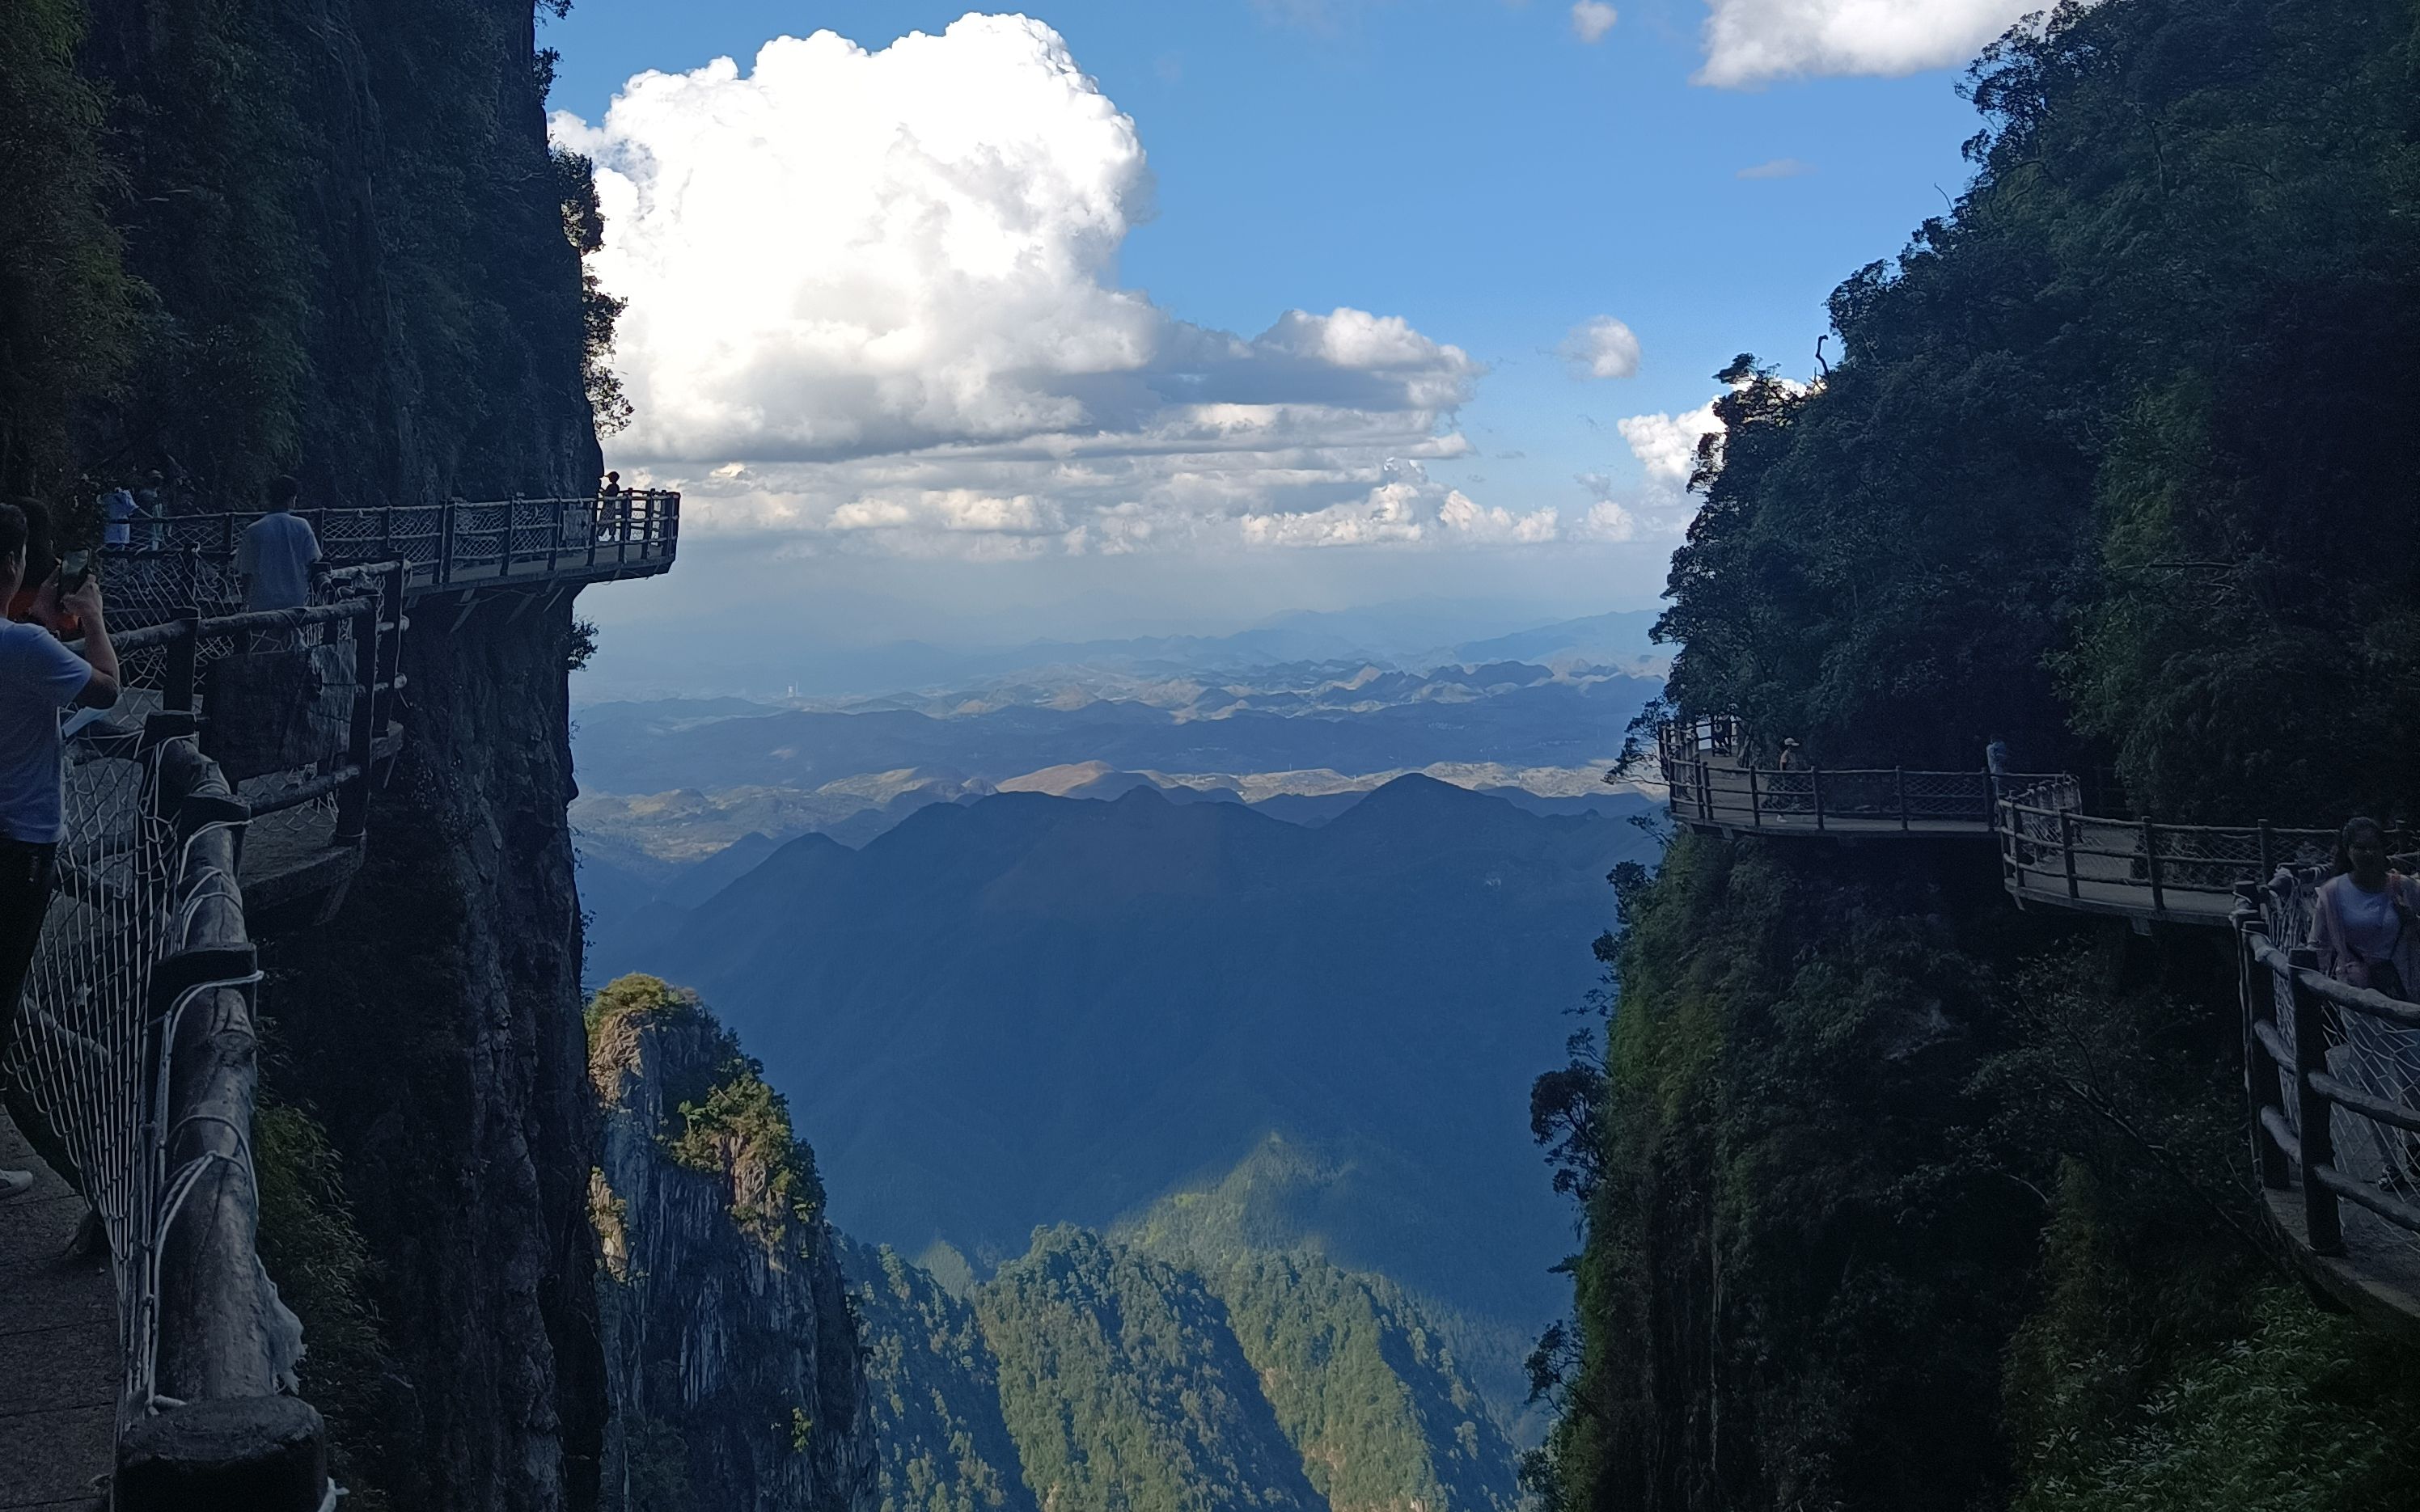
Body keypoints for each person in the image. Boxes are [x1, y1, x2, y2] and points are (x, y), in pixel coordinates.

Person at [0, 502, 122, 1202]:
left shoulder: (22, 642)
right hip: (20, 842)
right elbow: (107, 691)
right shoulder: (22, 649)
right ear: (11, 566)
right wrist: (94, 620)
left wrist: (40, 622)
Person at [2310, 817, 2420, 998]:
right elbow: (2318, 945)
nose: (2369, 853)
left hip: (2404, 986)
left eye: (2374, 847)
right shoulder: (2332, 893)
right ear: (2348, 850)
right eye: (2360, 848)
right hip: (2354, 989)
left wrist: (2412, 921)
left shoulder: (2402, 887)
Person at [236, 475, 323, 614]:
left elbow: (246, 572)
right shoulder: (302, 526)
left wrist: (245, 602)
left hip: (262, 605)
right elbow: (313, 561)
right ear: (291, 499)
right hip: (296, 605)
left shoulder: (254, 529)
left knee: (263, 635)